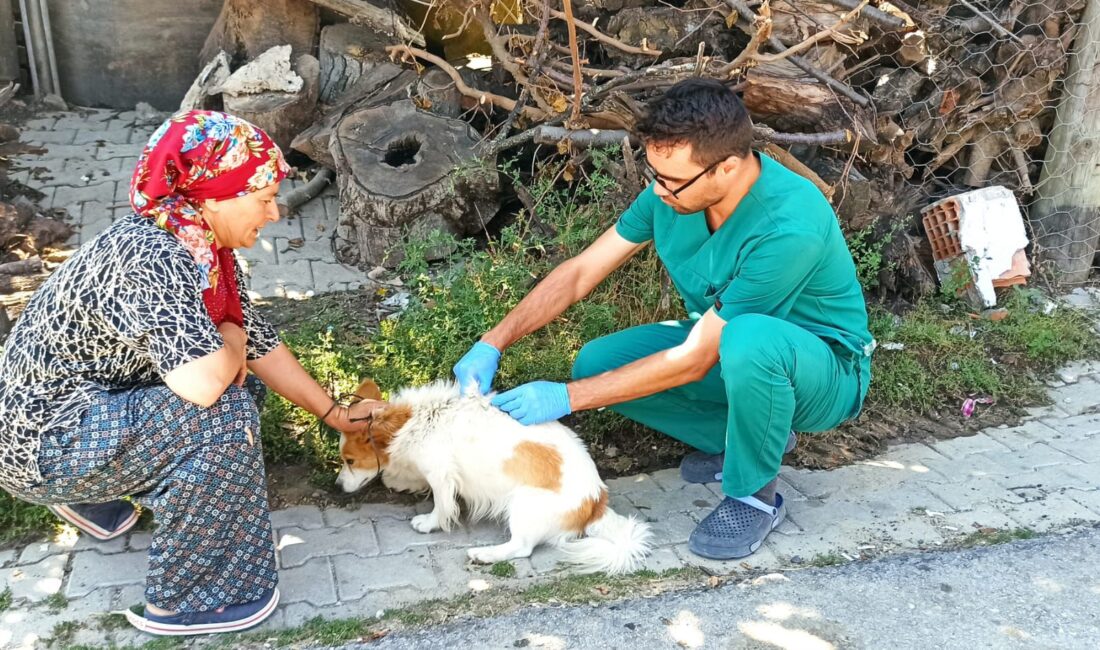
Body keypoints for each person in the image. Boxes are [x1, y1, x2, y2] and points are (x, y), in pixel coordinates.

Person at [453, 79, 874, 561]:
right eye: (654, 173)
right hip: (726, 345)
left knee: (750, 339)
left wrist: (566, 399)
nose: (658, 190)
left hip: (825, 374)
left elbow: (695, 359)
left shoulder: (789, 226)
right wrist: (493, 341)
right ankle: (749, 437)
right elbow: (580, 272)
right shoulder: (672, 192)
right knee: (597, 362)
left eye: (671, 179)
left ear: (729, 167)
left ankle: (754, 497)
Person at [0, 111, 380, 636]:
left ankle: (95, 495)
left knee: (238, 383)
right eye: (263, 198)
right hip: (39, 444)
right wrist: (232, 341)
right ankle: (195, 598)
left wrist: (334, 414)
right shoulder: (157, 255)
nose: (274, 214)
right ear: (215, 194)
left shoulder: (198, 244)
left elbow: (257, 340)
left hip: (67, 411)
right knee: (222, 413)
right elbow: (205, 383)